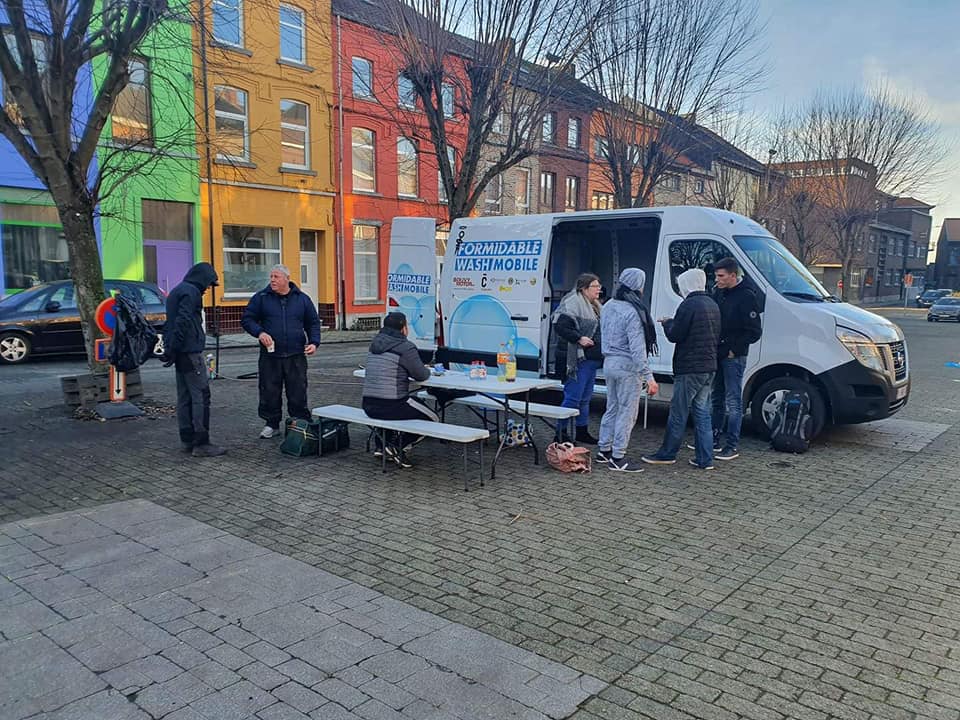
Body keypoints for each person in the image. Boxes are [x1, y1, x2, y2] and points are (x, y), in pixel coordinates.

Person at [642, 268, 721, 470]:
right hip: (709, 366)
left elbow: (676, 334)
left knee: (678, 412)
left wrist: (667, 324)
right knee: (702, 413)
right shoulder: (712, 303)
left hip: (690, 367)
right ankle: (705, 458)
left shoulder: (688, 305)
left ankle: (667, 453)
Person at [241, 264, 322, 438]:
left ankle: (299, 423)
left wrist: (314, 342)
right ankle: (271, 424)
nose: (272, 280)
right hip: (270, 356)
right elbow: (247, 319)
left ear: (287, 278)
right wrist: (259, 332)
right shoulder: (261, 298)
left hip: (296, 355)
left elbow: (313, 323)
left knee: (298, 390)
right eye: (271, 276)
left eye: (276, 277)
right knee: (269, 390)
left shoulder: (302, 299)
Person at [595, 268, 660, 473]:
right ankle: (618, 457)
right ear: (639, 286)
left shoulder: (608, 306)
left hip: (609, 363)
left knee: (612, 407)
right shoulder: (633, 311)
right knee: (627, 412)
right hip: (628, 367)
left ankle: (604, 450)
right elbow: (638, 349)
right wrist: (649, 377)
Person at [162, 262, 226, 457]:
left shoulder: (177, 291)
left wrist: (171, 349)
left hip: (180, 353)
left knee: (184, 397)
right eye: (208, 284)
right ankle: (201, 443)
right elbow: (183, 321)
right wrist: (176, 346)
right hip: (190, 353)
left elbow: (173, 322)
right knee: (200, 396)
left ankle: (187, 440)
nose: (208, 289)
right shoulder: (191, 293)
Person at [361, 312, 438, 468]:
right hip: (393, 405)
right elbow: (421, 375)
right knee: (433, 419)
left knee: (405, 404)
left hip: (368, 404)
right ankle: (397, 446)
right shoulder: (405, 347)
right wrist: (428, 369)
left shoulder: (374, 344)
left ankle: (381, 446)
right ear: (403, 328)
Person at [710, 257, 763, 460]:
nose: (718, 279)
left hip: (734, 356)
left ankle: (731, 444)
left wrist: (735, 349)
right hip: (719, 352)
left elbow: (754, 331)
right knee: (717, 397)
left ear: (733, 275)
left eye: (721, 276)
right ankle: (714, 437)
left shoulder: (747, 296)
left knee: (733, 400)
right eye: (716, 275)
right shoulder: (720, 293)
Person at [552, 273, 603, 443]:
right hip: (575, 358)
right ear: (584, 288)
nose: (599, 289)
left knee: (585, 398)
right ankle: (560, 433)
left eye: (599, 286)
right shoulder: (572, 303)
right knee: (573, 397)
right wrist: (578, 338)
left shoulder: (595, 305)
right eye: (595, 286)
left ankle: (582, 431)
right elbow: (559, 325)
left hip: (590, 360)